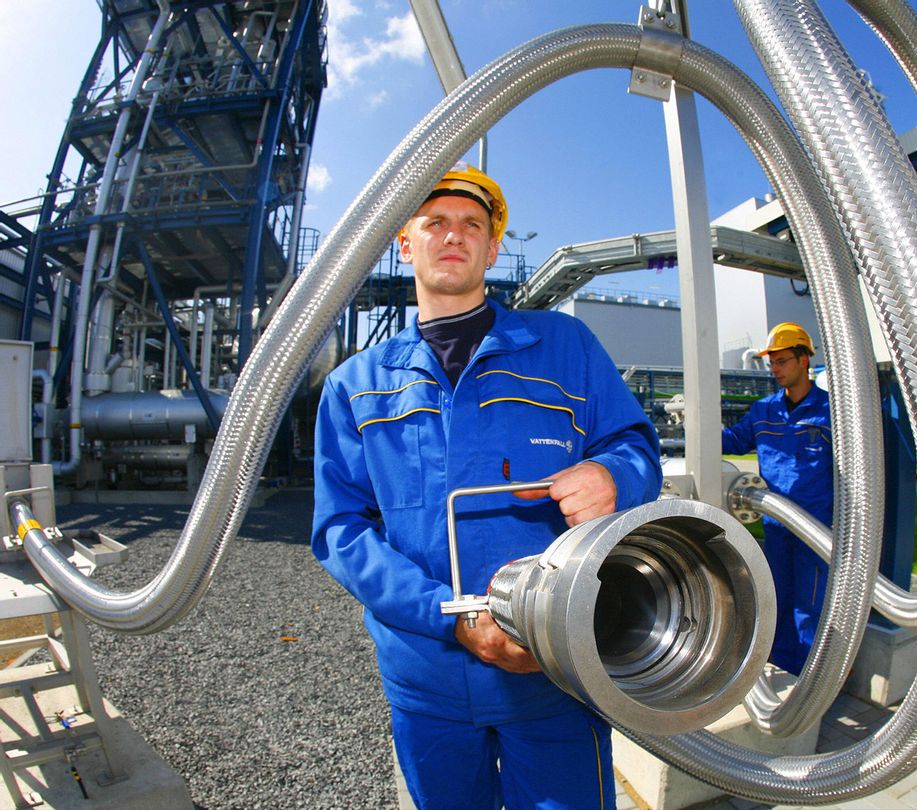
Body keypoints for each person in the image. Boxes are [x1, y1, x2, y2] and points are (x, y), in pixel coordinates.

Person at [311, 164, 662, 810]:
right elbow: (341, 530)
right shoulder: (355, 386)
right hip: (426, 680)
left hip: (553, 675)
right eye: (435, 222)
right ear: (404, 242)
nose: (454, 236)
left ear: (493, 248)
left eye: (472, 224)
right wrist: (447, 617)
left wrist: (613, 475)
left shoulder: (565, 347)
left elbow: (634, 444)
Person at [721, 322, 832, 674]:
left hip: (816, 530)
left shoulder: (831, 412)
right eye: (773, 363)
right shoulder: (764, 411)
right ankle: (781, 671)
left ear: (803, 361)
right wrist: (697, 423)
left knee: (809, 607)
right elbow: (733, 441)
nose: (776, 370)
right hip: (777, 527)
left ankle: (810, 683)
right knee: (778, 599)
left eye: (782, 361)